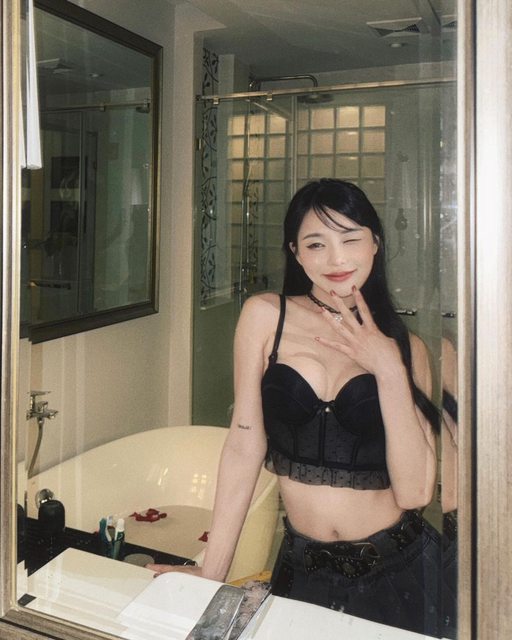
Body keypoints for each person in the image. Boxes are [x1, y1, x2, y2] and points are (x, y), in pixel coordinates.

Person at [149, 178, 445, 636]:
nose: (336, 259)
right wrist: (212, 570)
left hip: (400, 571)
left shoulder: (408, 349)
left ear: (375, 243)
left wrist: (387, 368)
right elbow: (244, 447)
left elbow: (415, 494)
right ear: (297, 253)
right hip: (302, 571)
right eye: (316, 244)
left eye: (350, 239)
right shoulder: (265, 315)